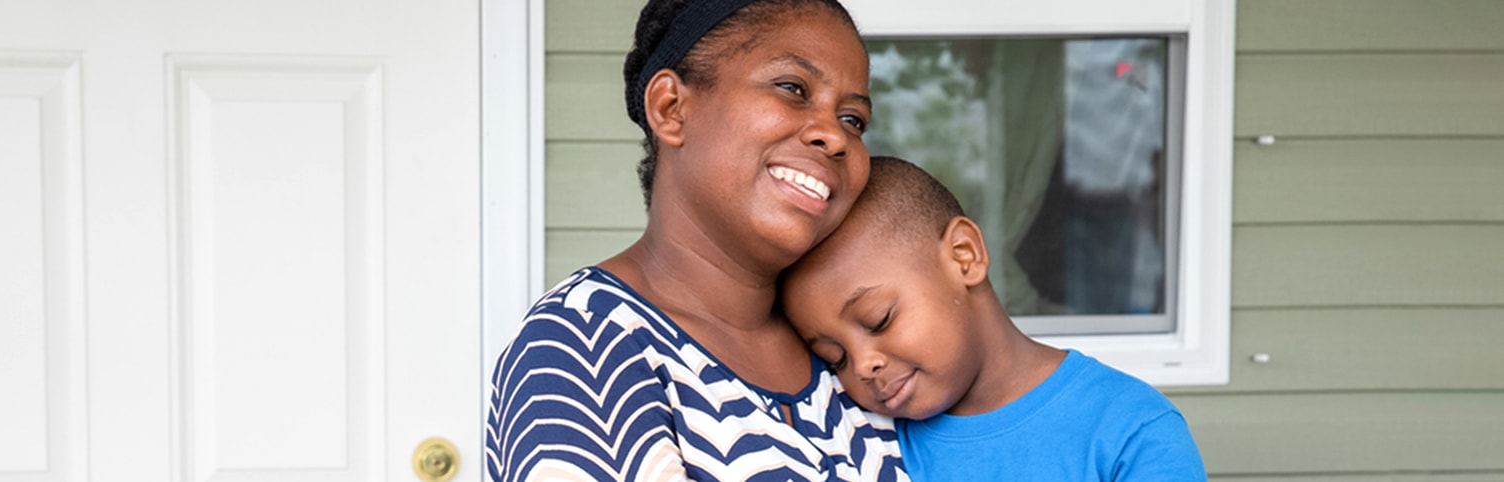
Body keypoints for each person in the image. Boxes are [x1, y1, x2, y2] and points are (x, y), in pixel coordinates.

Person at [484, 0, 908, 480]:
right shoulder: (582, 345)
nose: (834, 135)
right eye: (793, 88)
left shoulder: (852, 354)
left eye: (853, 120)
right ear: (671, 108)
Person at [780, 156, 1207, 480]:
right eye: (835, 357)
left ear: (964, 257)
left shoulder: (1129, 428)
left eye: (878, 320)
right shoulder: (868, 439)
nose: (862, 365)